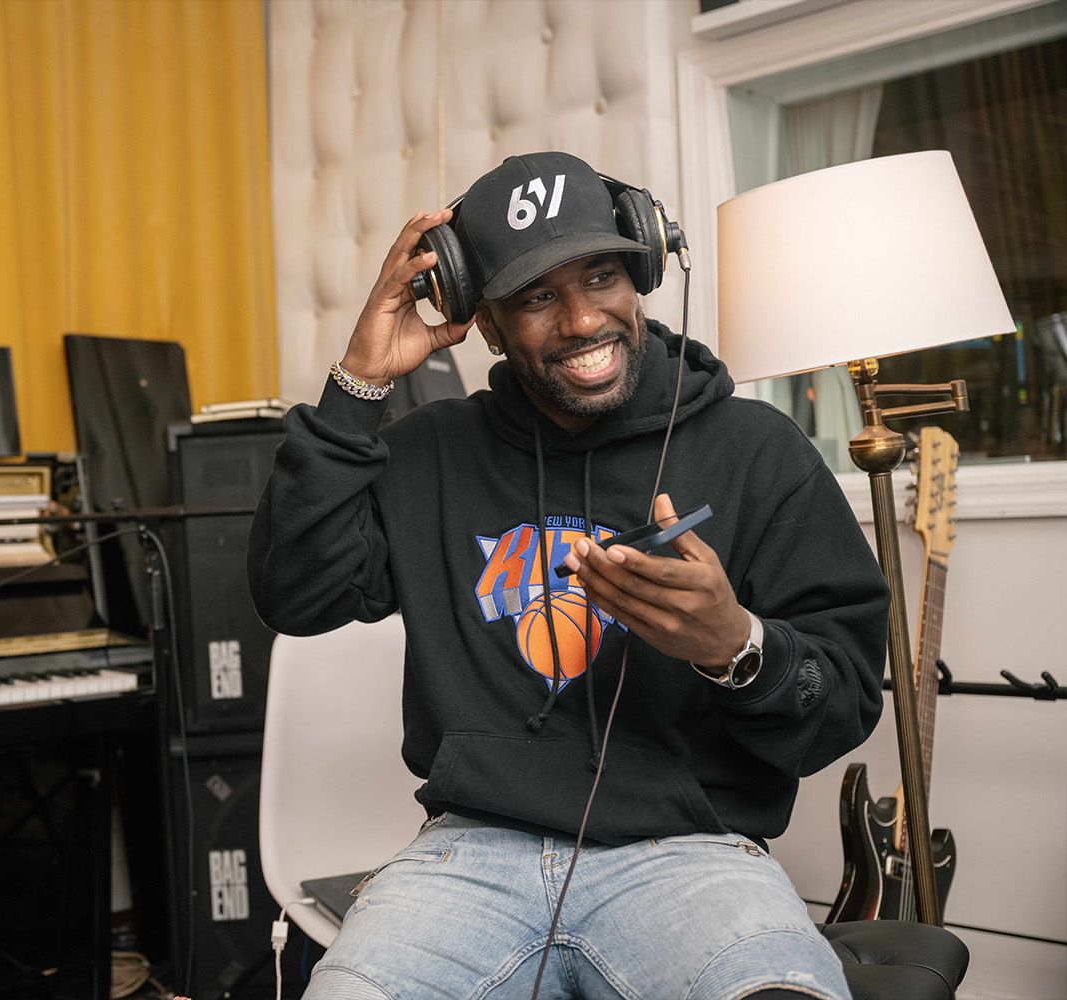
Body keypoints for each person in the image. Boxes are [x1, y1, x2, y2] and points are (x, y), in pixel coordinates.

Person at [247, 151, 890, 1000]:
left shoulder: (756, 452)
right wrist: (358, 386)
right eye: (538, 297)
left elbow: (841, 705)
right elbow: (295, 594)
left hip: (689, 857)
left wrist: (735, 648)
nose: (583, 319)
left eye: (601, 277)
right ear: (485, 323)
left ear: (644, 270)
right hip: (468, 856)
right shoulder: (427, 455)